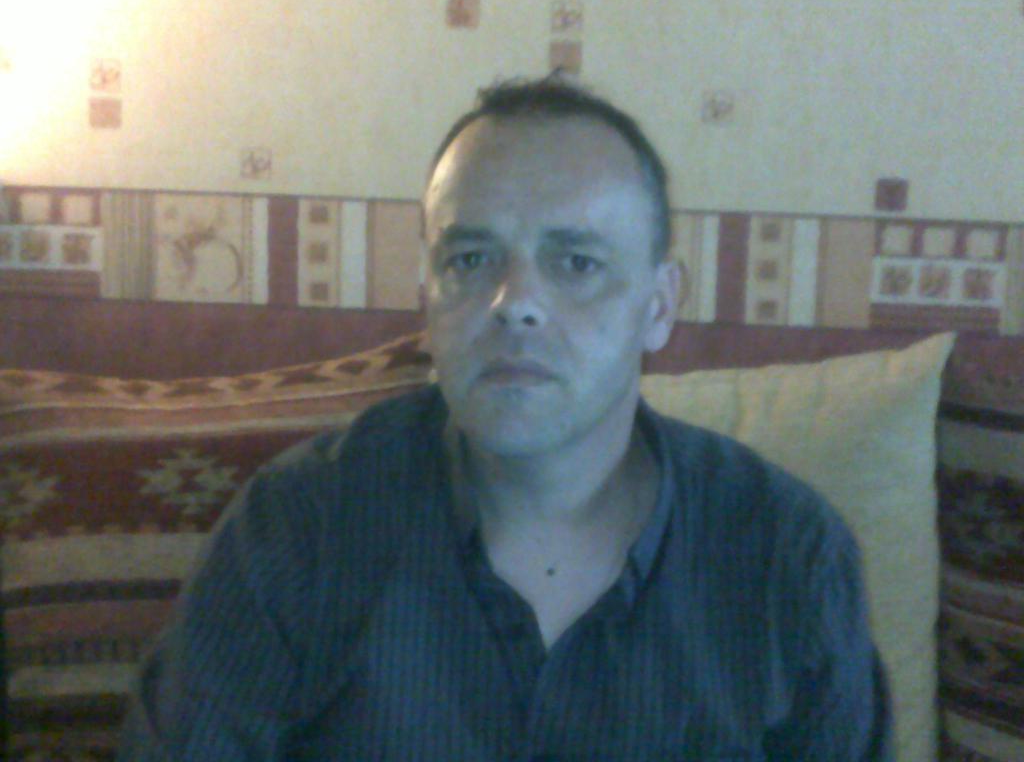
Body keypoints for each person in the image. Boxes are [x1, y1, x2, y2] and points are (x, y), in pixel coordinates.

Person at [118, 77, 892, 760]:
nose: (514, 302)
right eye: (470, 259)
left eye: (576, 262)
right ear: (427, 299)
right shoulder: (295, 531)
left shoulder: (789, 558)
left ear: (659, 305)